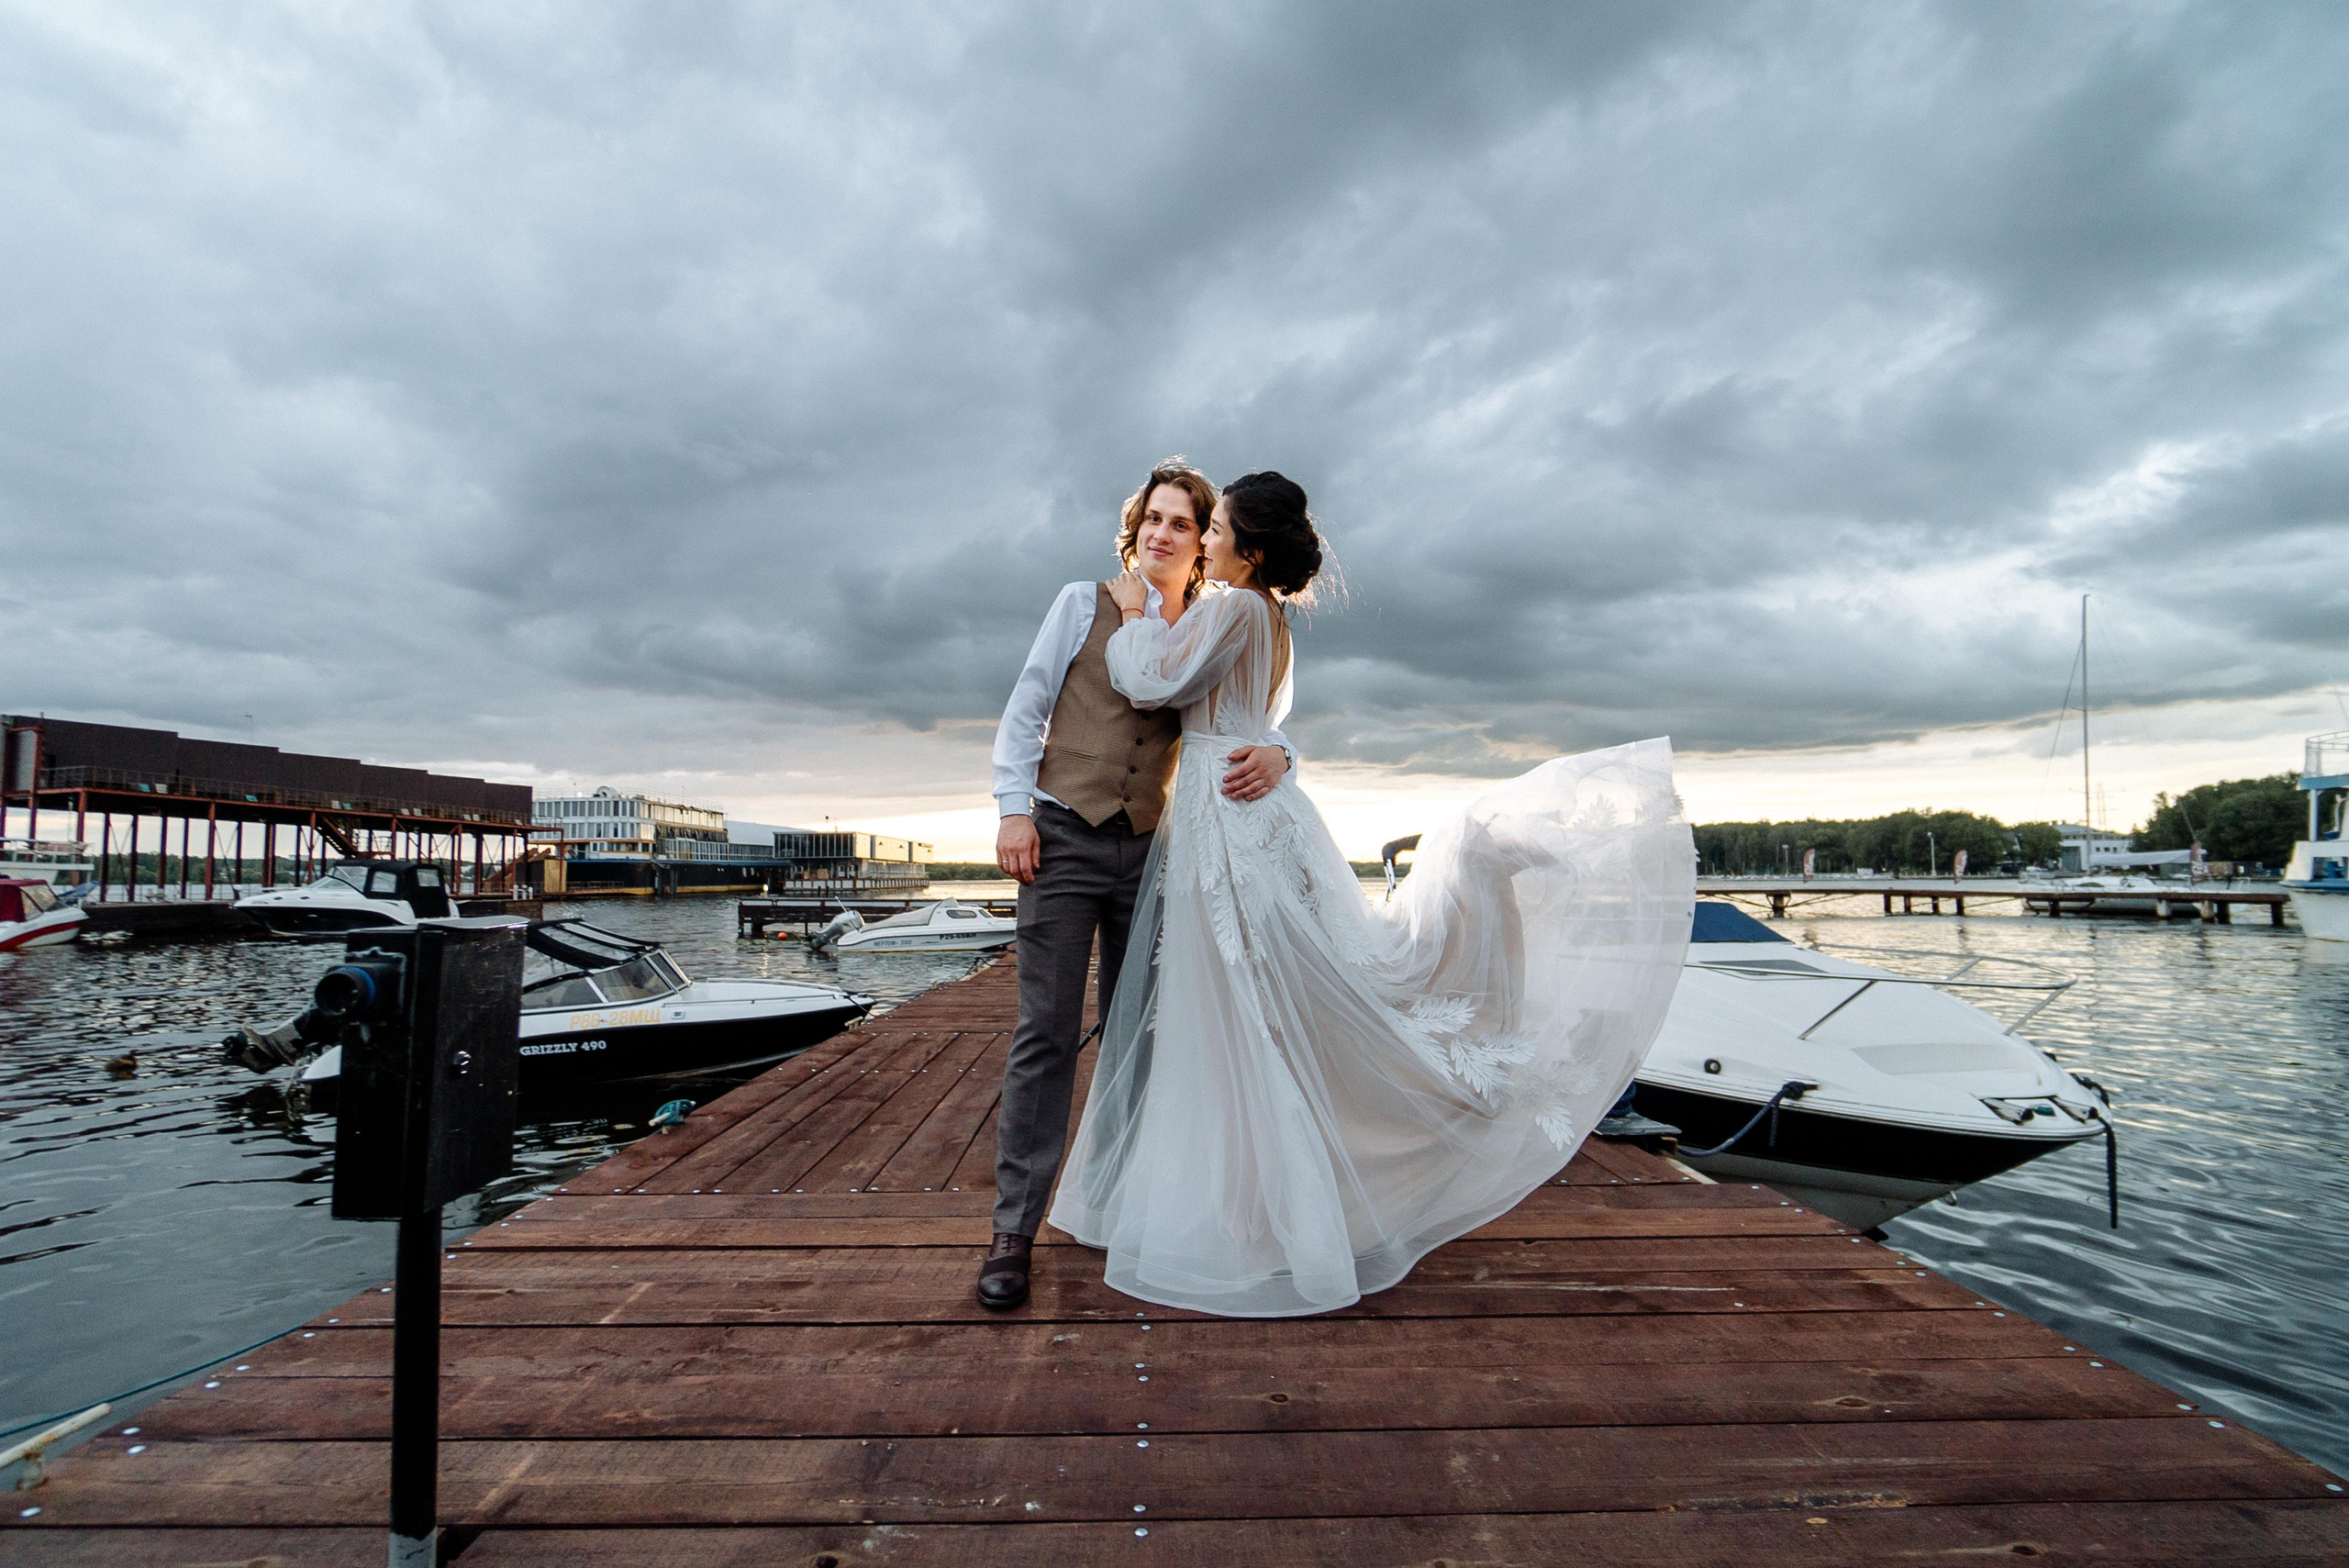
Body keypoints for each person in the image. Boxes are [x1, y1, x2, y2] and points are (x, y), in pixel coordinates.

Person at [1048, 472, 1695, 1317]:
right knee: (1267, 1007)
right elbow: (1263, 718)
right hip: (1256, 812)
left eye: (1214, 530)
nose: (1200, 538)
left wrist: (1136, 610)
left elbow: (1146, 680)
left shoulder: (1233, 606)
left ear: (1248, 550)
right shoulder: (1270, 619)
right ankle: (1263, 1203)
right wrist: (1281, 751)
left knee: (1242, 1010)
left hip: (1229, 824)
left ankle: (1261, 1214)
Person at [979, 459, 1293, 1308]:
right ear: (1136, 526)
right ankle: (1014, 1231)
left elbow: (1259, 710)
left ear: (1203, 542)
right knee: (1045, 1031)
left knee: (1142, 1033)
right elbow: (1028, 705)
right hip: (1063, 835)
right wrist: (1014, 810)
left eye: (1182, 524)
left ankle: (1120, 1206)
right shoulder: (1084, 601)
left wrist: (1282, 751)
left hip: (1156, 847)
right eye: (1151, 518)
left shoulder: (1216, 617)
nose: (1161, 533)